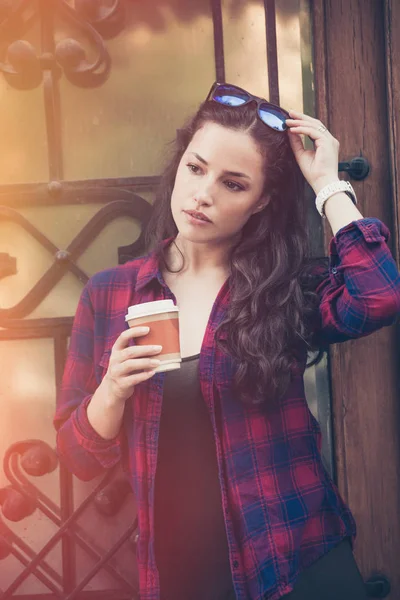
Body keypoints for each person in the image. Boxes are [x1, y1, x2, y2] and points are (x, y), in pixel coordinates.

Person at [54, 82, 400, 600]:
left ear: (260, 203)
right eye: (196, 169)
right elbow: (77, 459)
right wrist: (111, 391)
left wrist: (328, 184)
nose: (203, 195)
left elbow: (378, 295)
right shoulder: (111, 295)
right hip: (179, 576)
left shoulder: (283, 289)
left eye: (233, 184)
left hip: (296, 568)